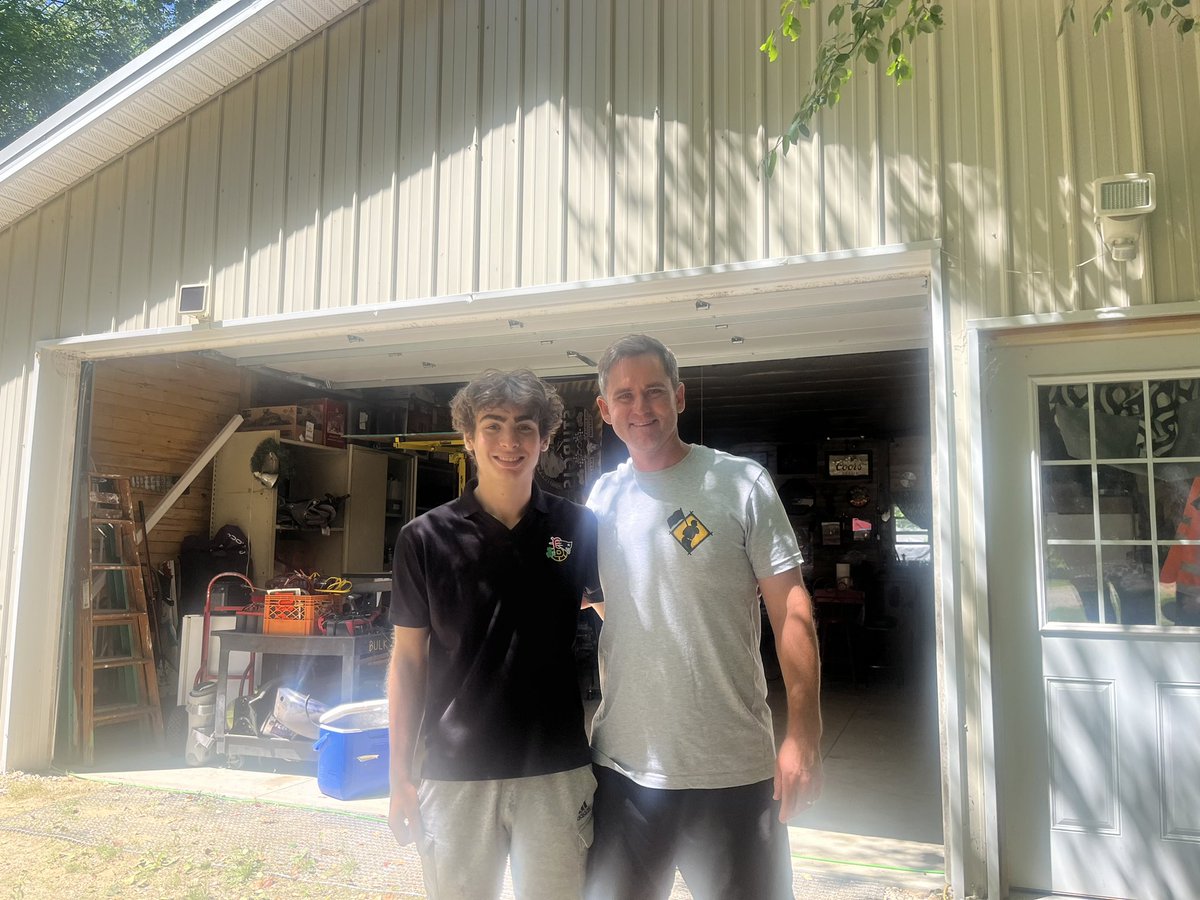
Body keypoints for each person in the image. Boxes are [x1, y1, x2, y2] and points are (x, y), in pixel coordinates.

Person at [583, 334, 823, 900]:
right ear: (604, 409)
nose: (640, 408)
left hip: (732, 771)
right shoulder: (602, 499)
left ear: (680, 397)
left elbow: (791, 609)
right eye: (624, 396)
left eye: (654, 392)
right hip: (624, 772)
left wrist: (804, 736)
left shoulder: (741, 484)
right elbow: (580, 581)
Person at [387, 369, 600, 900]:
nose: (510, 442)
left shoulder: (579, 529)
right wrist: (399, 777)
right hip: (456, 774)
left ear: (545, 438)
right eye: (493, 426)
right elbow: (408, 661)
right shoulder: (424, 538)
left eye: (526, 427)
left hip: (556, 770)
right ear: (468, 437)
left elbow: (621, 619)